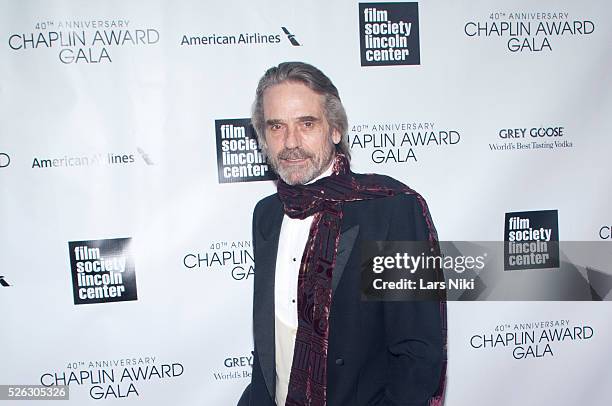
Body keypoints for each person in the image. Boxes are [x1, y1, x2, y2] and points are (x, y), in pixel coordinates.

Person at [238, 62, 446, 406]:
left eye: (307, 123)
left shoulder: (393, 208)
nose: (290, 142)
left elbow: (419, 352)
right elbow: (272, 343)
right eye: (277, 126)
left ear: (335, 129)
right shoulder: (267, 215)